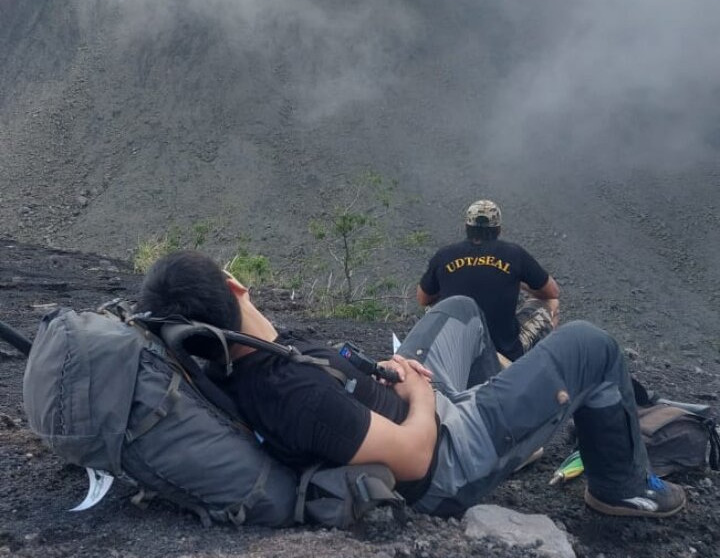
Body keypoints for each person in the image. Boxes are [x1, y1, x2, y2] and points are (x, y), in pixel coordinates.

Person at [138, 250, 686, 520]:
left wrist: (390, 373)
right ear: (236, 286)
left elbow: (340, 397)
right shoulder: (286, 393)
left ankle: (515, 429)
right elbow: (417, 458)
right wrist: (421, 396)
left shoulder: (239, 361)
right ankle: (621, 487)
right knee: (591, 344)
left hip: (405, 405)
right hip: (443, 453)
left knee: (460, 308)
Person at [417, 199, 560, 362]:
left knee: (432, 307)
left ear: (466, 227)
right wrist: (520, 283)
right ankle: (537, 368)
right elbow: (552, 292)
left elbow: (423, 299)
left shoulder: (444, 255)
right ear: (499, 229)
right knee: (552, 303)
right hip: (506, 350)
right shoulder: (514, 254)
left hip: (457, 349)